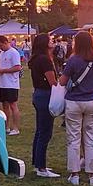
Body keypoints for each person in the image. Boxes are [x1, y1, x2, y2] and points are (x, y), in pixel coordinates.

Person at [59, 31, 93, 186]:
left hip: (74, 101)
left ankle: (74, 175)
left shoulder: (73, 61)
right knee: (91, 137)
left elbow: (62, 82)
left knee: (73, 138)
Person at [27, 34, 59, 178]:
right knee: (45, 132)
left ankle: (37, 162)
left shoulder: (36, 59)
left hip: (38, 94)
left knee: (40, 130)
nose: (53, 41)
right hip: (46, 95)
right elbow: (53, 81)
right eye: (50, 40)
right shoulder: (45, 60)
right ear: (45, 44)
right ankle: (41, 167)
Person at [0, 35, 23, 136]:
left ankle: (15, 128)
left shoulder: (14, 53)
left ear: (6, 42)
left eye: (1, 45)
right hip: (2, 83)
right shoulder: (2, 53)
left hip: (11, 83)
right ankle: (6, 127)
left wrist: (3, 71)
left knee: (13, 105)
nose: (0, 48)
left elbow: (18, 67)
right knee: (4, 105)